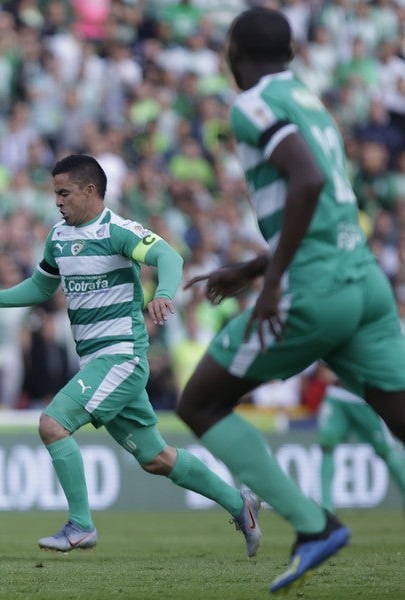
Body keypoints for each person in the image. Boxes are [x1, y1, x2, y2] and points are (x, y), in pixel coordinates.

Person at [176, 7, 405, 593]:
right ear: (293, 54)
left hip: (314, 290)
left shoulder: (252, 104)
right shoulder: (309, 100)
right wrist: (255, 267)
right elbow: (322, 203)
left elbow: (306, 181)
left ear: (234, 53)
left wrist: (273, 279)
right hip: (364, 281)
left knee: (200, 403)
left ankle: (312, 525)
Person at [0, 154, 261, 556]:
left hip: (121, 357)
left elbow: (169, 257)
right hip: (97, 363)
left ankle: (81, 525)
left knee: (53, 424)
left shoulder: (118, 231)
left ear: (90, 191)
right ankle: (240, 504)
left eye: (64, 193)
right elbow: (42, 286)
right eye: (55, 194)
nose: (58, 201)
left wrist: (164, 294)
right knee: (156, 458)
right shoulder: (58, 237)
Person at [314, 363, 405, 512]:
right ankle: (326, 508)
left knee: (385, 450)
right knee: (327, 445)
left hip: (364, 399)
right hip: (337, 395)